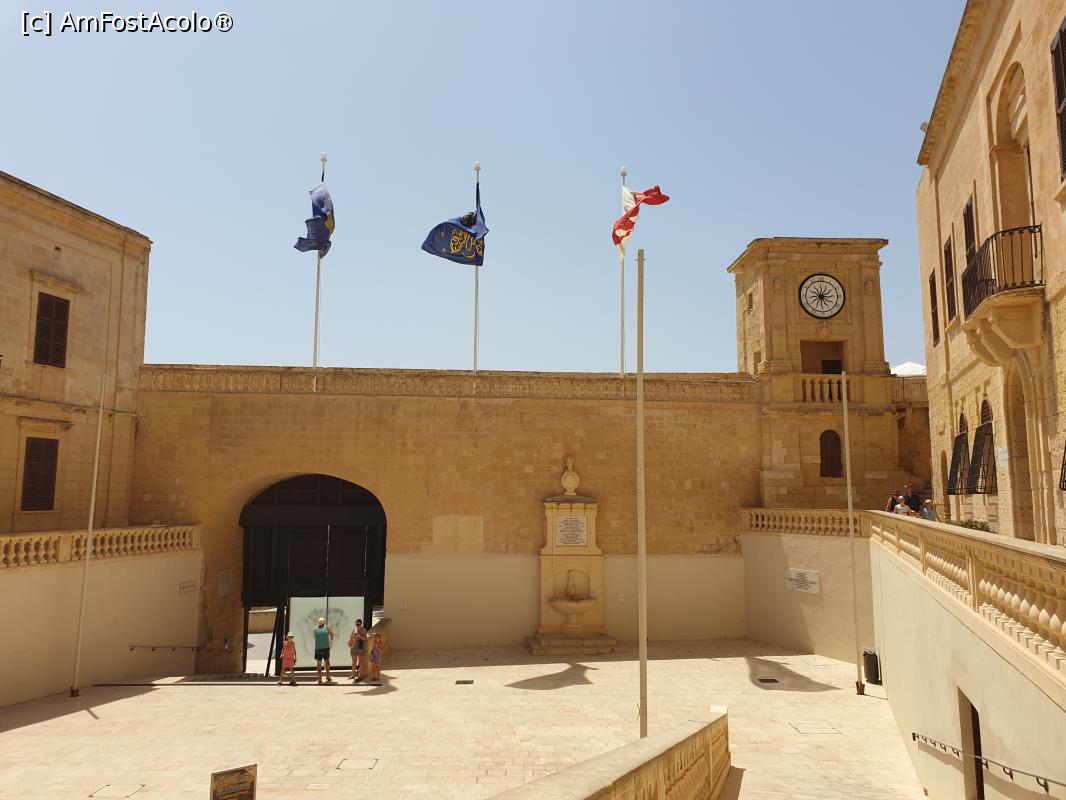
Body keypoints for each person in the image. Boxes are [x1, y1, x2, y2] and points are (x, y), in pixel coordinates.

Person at [312, 617, 334, 684]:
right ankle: (328, 676)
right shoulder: (327, 627)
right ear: (324, 622)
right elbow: (332, 635)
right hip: (325, 648)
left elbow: (315, 637)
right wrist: (330, 643)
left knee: (319, 664)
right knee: (327, 662)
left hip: (318, 648)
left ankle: (320, 678)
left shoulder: (315, 629)